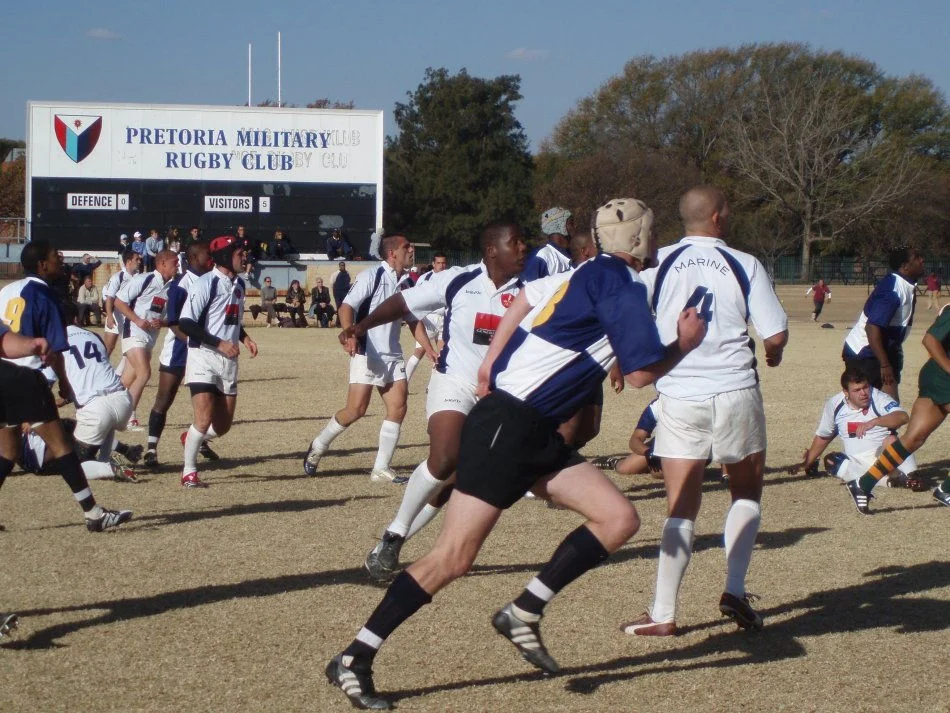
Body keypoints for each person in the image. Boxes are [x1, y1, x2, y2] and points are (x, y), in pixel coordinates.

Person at [324, 203, 707, 710]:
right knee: (453, 558)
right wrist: (683, 344)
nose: (658, 237)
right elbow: (639, 376)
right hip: (510, 426)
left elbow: (524, 298)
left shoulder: (586, 271)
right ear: (637, 238)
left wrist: (487, 368)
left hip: (532, 428)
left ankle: (524, 610)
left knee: (618, 518)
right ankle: (354, 656)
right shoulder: (620, 283)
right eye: (653, 230)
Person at [627, 185, 788, 637]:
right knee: (746, 492)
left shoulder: (658, 261)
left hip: (679, 392)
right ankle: (734, 590)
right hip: (736, 389)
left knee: (681, 507)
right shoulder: (744, 262)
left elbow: (631, 318)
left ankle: (663, 612)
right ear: (717, 216)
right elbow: (773, 334)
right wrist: (774, 354)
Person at [348, 224, 525, 580]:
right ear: (492, 249)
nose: (524, 248)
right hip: (453, 382)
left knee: (455, 478)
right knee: (444, 457)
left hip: (499, 395)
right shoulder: (458, 280)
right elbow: (403, 302)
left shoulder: (530, 289)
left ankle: (391, 545)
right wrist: (361, 326)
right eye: (516, 242)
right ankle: (396, 531)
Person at [0, 256, 131, 532]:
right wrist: (62, 381)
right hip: (25, 380)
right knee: (62, 447)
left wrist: (29, 344)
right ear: (41, 264)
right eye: (53, 257)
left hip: (6, 378)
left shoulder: (6, 291)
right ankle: (94, 514)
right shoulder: (44, 295)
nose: (58, 261)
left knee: (8, 451)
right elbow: (54, 352)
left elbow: (6, 341)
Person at [304, 235, 415, 483]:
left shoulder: (407, 282)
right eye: (406, 246)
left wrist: (429, 349)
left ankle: (381, 469)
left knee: (398, 408)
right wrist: (349, 333)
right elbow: (346, 306)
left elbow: (413, 319)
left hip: (393, 353)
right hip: (366, 351)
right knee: (356, 410)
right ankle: (319, 445)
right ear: (392, 253)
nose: (412, 249)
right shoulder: (372, 275)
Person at [842, 304, 950, 512]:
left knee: (913, 438)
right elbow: (929, 340)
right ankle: (946, 489)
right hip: (941, 377)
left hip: (935, 377)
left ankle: (862, 484)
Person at [177, 236, 258, 488]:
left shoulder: (239, 286)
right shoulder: (205, 283)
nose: (243, 257)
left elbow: (230, 319)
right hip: (203, 357)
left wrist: (244, 338)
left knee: (222, 426)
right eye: (238, 252)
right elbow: (187, 323)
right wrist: (219, 343)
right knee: (203, 418)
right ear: (224, 255)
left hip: (229, 361)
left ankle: (191, 437)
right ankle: (189, 472)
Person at [787, 367, 921, 494]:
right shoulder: (834, 404)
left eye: (865, 387)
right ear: (845, 392)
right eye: (857, 390)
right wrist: (806, 463)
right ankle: (891, 482)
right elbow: (824, 437)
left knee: (891, 440)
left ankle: (912, 475)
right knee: (831, 461)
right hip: (857, 463)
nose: (863, 393)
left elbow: (902, 417)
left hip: (884, 457)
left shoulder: (878, 397)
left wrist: (874, 422)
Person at [143, 241, 218, 469]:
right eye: (207, 255)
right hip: (178, 350)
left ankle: (199, 440)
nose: (211, 260)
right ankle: (151, 448)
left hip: (204, 349)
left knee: (208, 401)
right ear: (194, 259)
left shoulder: (213, 280)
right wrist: (195, 341)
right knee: (164, 400)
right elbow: (175, 323)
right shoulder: (180, 285)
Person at [60, 306, 143, 482]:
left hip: (96, 409)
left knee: (72, 467)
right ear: (75, 319)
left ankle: (110, 468)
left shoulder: (55, 341)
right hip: (122, 400)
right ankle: (105, 458)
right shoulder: (93, 335)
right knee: (107, 421)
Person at [842, 246, 926, 401]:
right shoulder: (892, 290)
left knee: (889, 408)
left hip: (883, 353)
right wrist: (885, 365)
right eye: (917, 257)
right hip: (865, 355)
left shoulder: (906, 284)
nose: (922, 260)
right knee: (866, 408)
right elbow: (871, 328)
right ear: (905, 266)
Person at [113, 250, 179, 429]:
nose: (178, 265)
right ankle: (129, 417)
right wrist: (137, 320)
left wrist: (162, 322)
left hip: (150, 337)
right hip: (133, 332)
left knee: (125, 382)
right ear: (162, 263)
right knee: (144, 373)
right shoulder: (145, 279)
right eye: (175, 262)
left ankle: (103, 409)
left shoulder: (172, 286)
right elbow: (119, 302)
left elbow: (165, 316)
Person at [404, 252, 448, 383]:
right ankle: (404, 382)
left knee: (442, 354)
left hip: (444, 318)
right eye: (439, 263)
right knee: (420, 351)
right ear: (433, 264)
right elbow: (416, 297)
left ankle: (432, 386)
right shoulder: (425, 278)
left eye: (444, 263)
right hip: (429, 318)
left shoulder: (450, 277)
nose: (441, 266)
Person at [102, 249, 142, 356]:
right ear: (128, 261)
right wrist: (110, 316)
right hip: (116, 315)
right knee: (108, 348)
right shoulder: (117, 277)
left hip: (131, 316)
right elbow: (109, 298)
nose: (139, 261)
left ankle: (122, 373)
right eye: (136, 259)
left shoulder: (140, 277)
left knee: (130, 350)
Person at [521, 207, 574, 281]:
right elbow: (527, 290)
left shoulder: (574, 253)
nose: (575, 227)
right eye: (571, 223)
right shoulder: (542, 257)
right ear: (559, 227)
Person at [331, 261, 351, 327]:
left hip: (345, 293)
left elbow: (348, 282)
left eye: (343, 265)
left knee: (344, 308)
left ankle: (343, 323)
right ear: (339, 266)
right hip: (338, 293)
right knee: (339, 308)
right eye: (341, 265)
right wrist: (335, 293)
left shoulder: (347, 273)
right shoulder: (336, 274)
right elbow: (332, 283)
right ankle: (338, 323)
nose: (342, 266)